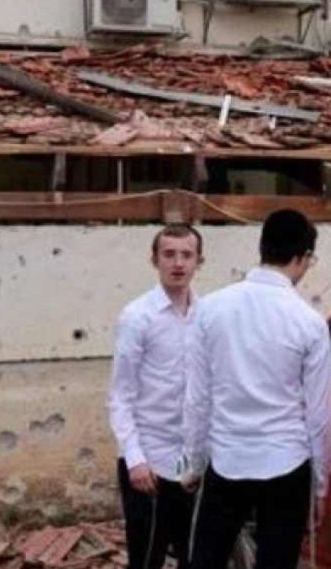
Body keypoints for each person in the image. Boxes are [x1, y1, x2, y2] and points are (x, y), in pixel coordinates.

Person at [182, 209, 331, 569]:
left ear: (262, 248)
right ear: (302, 257)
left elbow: (197, 397)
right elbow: (320, 416)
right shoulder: (309, 323)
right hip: (286, 462)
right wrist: (321, 484)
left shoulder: (210, 309)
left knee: (206, 559)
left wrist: (193, 461)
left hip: (226, 458)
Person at [108, 225, 204, 569]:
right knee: (147, 558)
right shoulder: (137, 317)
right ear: (154, 260)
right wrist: (135, 459)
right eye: (169, 254)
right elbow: (120, 395)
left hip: (192, 465)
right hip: (149, 464)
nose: (178, 263)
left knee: (193, 556)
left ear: (199, 262)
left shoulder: (206, 315)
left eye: (186, 255)